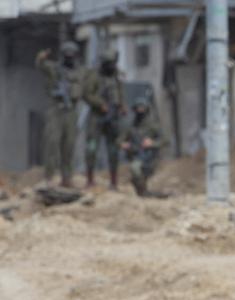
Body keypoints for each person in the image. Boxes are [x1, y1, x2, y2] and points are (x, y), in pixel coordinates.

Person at [36, 42, 85, 187]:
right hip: (56, 110)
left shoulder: (79, 72)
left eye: (72, 55)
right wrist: (41, 57)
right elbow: (40, 65)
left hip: (71, 112)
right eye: (67, 55)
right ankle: (49, 177)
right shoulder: (54, 68)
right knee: (52, 143)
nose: (69, 58)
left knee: (69, 145)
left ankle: (67, 178)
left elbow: (83, 89)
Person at [83, 49, 126, 189]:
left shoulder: (115, 76)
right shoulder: (94, 75)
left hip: (113, 116)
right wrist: (100, 104)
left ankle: (114, 182)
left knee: (113, 149)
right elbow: (87, 94)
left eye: (113, 63)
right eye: (109, 64)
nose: (111, 66)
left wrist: (121, 106)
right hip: (97, 116)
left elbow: (120, 91)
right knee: (91, 147)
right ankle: (90, 180)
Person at [119, 97, 162, 197]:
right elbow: (120, 140)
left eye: (142, 108)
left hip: (149, 155)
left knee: (142, 172)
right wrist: (123, 144)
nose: (140, 111)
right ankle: (143, 192)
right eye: (138, 108)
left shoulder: (153, 125)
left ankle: (144, 191)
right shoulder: (131, 126)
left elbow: (165, 140)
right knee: (135, 169)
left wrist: (152, 143)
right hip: (134, 154)